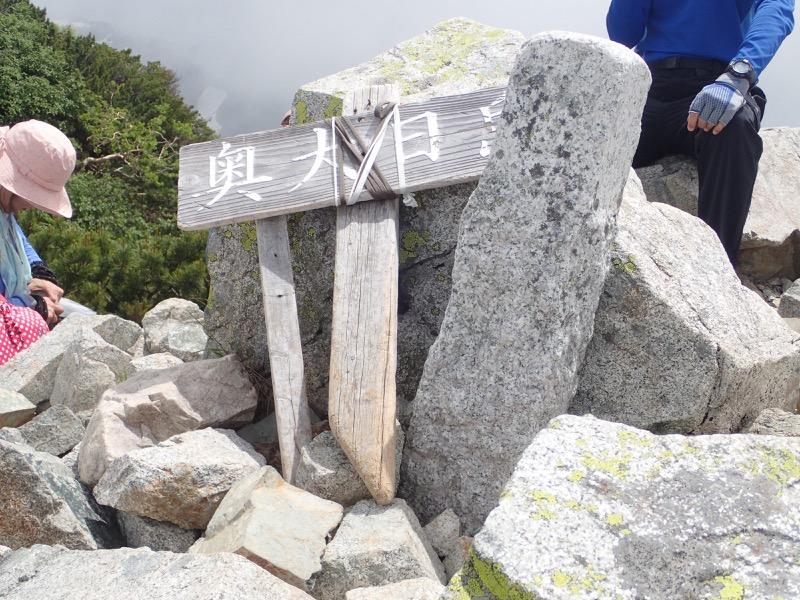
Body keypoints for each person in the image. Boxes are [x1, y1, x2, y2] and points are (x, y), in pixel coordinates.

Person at [607, 0, 794, 267]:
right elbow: (623, 35)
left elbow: (777, 11)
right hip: (650, 86)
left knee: (735, 125)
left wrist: (739, 74)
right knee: (595, 141)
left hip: (721, 82)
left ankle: (718, 273)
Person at [0, 119, 76, 365]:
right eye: (30, 195)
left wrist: (40, 275)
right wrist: (34, 308)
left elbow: (17, 239)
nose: (31, 205)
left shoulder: (4, 205)